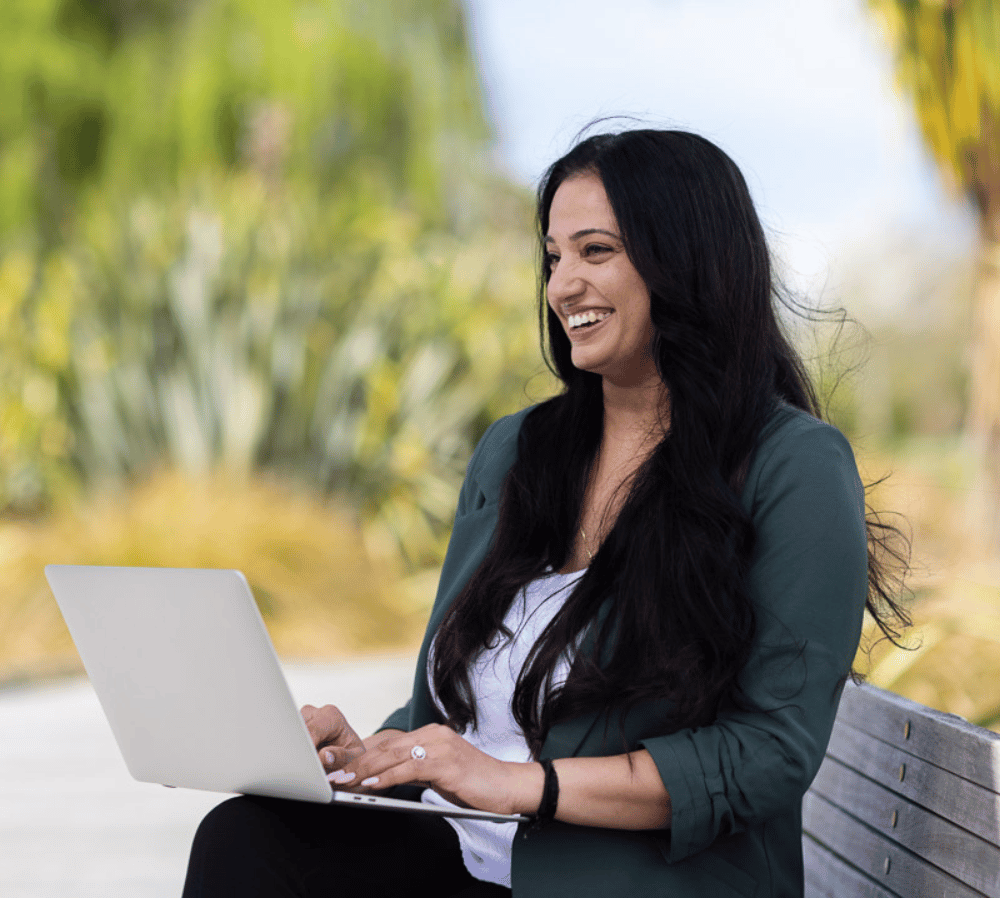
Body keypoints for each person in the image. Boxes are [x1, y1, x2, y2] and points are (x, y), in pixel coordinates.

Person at [182, 129, 908, 897]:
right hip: (462, 862)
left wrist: (520, 785)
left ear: (687, 259)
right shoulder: (517, 452)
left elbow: (768, 752)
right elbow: (457, 714)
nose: (563, 285)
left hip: (626, 883)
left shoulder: (792, 466)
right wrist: (373, 754)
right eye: (554, 257)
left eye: (596, 251)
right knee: (246, 836)